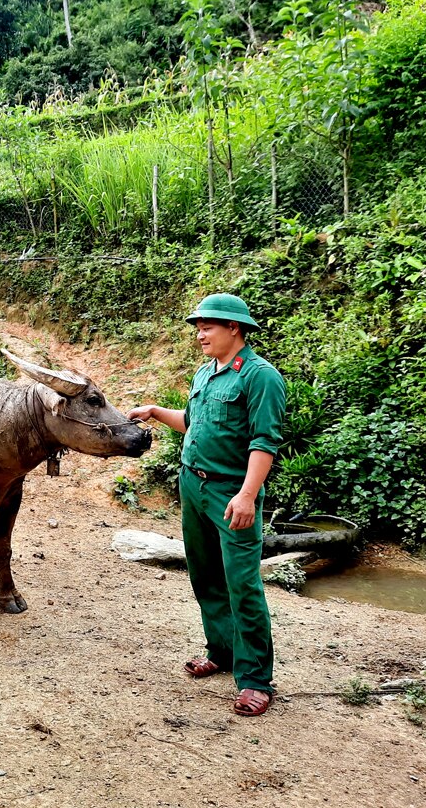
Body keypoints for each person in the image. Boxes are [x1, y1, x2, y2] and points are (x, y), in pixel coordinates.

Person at [126, 293, 286, 717]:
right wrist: (157, 412)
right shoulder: (206, 373)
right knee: (206, 576)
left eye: (207, 326)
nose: (199, 333)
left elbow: (264, 442)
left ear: (234, 328)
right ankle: (222, 651)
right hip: (192, 486)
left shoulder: (260, 377)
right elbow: (194, 423)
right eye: (198, 326)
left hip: (231, 492)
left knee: (242, 584)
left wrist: (248, 494)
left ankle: (255, 680)